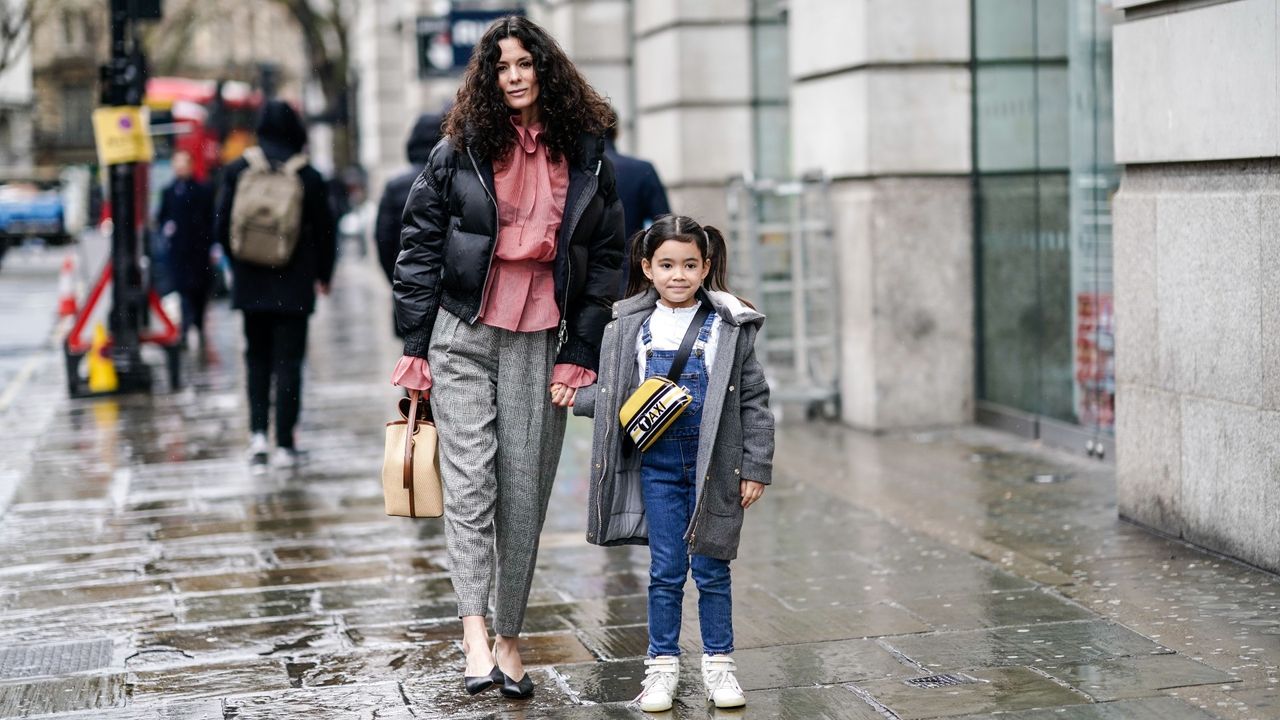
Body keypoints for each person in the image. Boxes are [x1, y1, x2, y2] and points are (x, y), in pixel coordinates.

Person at [391, 16, 624, 699]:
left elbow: (606, 258)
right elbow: (419, 247)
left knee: (524, 494)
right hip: (462, 332)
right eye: (502, 67)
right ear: (487, 79)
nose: (515, 75)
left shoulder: (585, 154)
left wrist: (580, 350)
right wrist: (414, 348)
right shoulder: (459, 148)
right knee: (470, 487)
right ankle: (472, 630)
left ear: (545, 71)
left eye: (525, 63)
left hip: (541, 336)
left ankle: (510, 638)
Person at [571, 214, 774, 712]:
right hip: (657, 469)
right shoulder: (628, 328)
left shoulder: (730, 326)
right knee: (664, 572)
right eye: (666, 264)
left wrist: (755, 466)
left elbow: (754, 399)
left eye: (689, 264)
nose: (677, 275)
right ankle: (660, 668)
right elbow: (623, 396)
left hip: (715, 471)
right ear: (647, 266)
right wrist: (577, 397)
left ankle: (720, 667)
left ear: (706, 267)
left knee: (712, 569)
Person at [214, 100, 336, 468]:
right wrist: (323, 276)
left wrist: (240, 264)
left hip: (251, 283)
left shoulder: (238, 170)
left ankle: (256, 438)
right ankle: (284, 442)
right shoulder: (308, 176)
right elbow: (326, 232)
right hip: (294, 284)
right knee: (289, 362)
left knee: (256, 359)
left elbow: (221, 227)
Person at [377, 112, 445, 287]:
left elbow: (383, 238)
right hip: (444, 286)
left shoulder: (395, 185)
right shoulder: (451, 181)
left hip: (407, 283)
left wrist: (395, 279)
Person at [603, 118, 670, 293]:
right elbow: (665, 225)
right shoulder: (641, 169)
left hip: (585, 282)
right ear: (617, 131)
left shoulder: (573, 172)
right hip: (632, 274)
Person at [156, 150, 215, 348]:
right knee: (183, 291)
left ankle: (197, 324)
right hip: (179, 250)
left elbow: (210, 219)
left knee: (199, 290)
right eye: (177, 164)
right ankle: (185, 327)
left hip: (199, 249)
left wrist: (212, 245)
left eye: (184, 163)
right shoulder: (169, 191)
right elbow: (162, 217)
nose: (180, 168)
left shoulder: (203, 190)